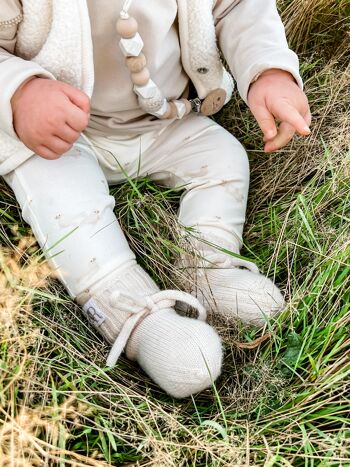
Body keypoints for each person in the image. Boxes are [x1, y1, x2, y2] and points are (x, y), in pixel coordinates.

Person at [0, 0, 311, 398]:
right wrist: (19, 91)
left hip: (165, 120)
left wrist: (268, 71)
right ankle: (130, 311)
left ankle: (206, 265)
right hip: (60, 133)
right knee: (62, 201)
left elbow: (237, 9)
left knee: (223, 158)